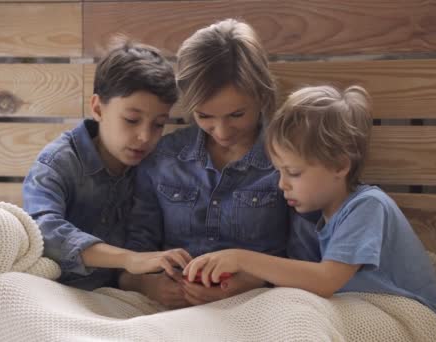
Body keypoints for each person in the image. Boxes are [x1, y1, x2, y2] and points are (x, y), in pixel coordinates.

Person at [183, 85, 436, 341]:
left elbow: (325, 280)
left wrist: (240, 258)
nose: (282, 184)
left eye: (293, 172)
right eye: (280, 172)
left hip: (417, 324)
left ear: (340, 165)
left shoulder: (368, 206)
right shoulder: (320, 218)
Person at [121, 18, 319, 308]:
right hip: (172, 310)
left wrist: (255, 282)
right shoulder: (163, 159)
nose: (222, 131)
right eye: (205, 116)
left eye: (237, 115)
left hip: (263, 302)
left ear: (262, 96)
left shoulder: (293, 160)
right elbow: (133, 256)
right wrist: (147, 284)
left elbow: (308, 260)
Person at [22, 41, 191, 291]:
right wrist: (129, 259)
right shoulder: (59, 161)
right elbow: (42, 230)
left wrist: (149, 283)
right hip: (52, 289)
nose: (145, 137)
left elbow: (147, 241)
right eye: (132, 120)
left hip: (117, 293)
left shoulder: (155, 168)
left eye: (158, 124)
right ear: (98, 108)